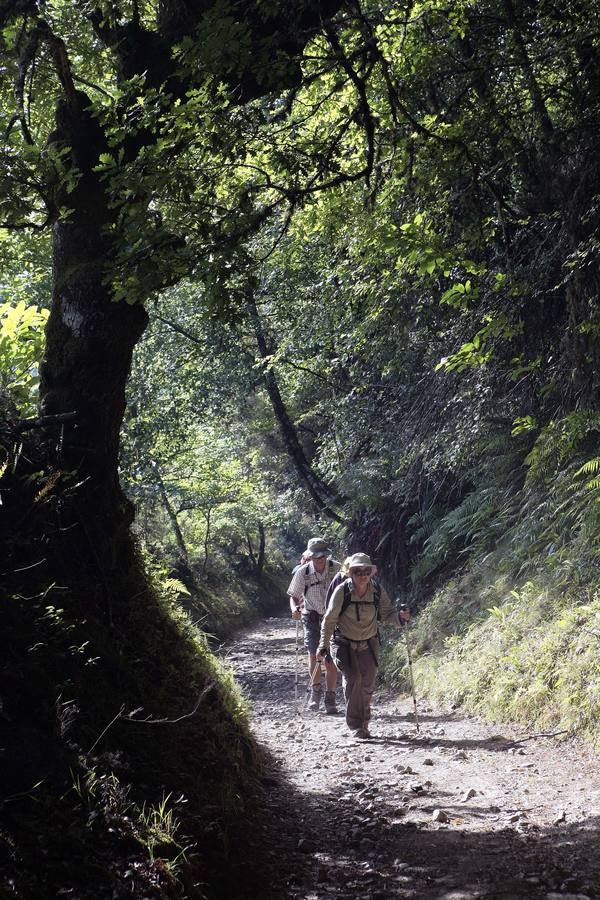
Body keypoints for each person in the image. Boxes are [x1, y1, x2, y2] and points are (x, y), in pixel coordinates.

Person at [316, 552, 410, 739]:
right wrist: (323, 645)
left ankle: (364, 724)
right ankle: (356, 726)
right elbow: (329, 620)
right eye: (358, 571)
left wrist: (400, 618)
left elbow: (387, 614)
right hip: (343, 643)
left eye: (367, 571)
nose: (363, 575)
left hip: (369, 642)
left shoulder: (376, 590)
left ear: (371, 572)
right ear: (351, 573)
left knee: (366, 684)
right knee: (353, 679)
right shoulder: (342, 591)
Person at [287, 537, 340, 713]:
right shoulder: (303, 572)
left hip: (333, 619)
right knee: (313, 655)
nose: (321, 559)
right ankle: (315, 692)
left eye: (323, 556)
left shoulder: (337, 569)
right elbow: (293, 595)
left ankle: (330, 697)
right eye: (317, 556)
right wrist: (295, 608)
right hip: (311, 617)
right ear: (310, 556)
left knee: (330, 658)